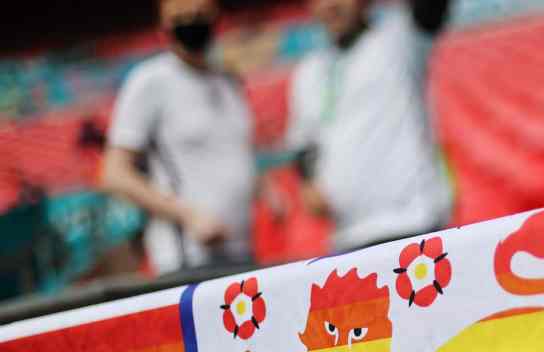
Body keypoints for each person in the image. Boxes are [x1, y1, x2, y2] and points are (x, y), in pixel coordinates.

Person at [102, 0, 258, 275]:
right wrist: (188, 215)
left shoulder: (227, 82)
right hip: (187, 260)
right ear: (164, 26)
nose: (192, 23)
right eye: (181, 17)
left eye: (200, 15)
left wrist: (267, 190)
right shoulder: (151, 81)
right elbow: (114, 173)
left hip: (240, 251)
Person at [286, 0, 454, 251]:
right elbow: (304, 143)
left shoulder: (400, 38)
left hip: (414, 225)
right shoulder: (308, 71)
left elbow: (431, 11)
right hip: (347, 238)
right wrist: (309, 182)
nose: (330, 5)